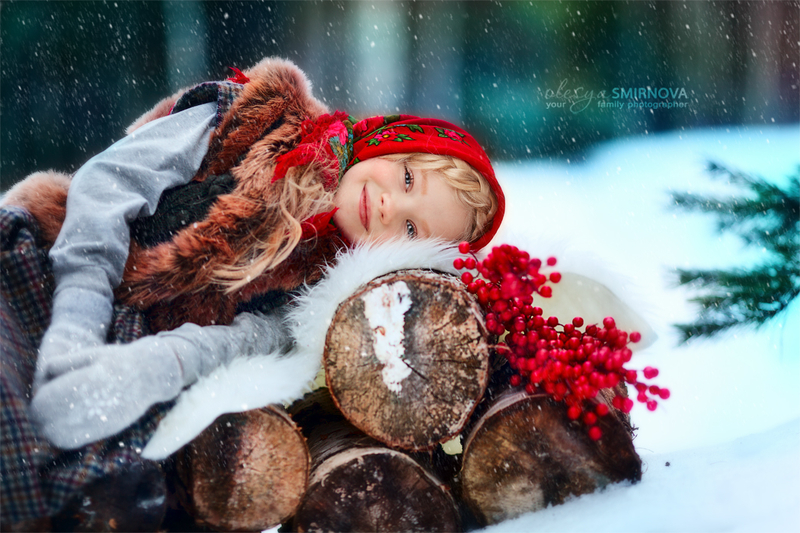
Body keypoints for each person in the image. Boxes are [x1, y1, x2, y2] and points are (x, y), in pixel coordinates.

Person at [0, 57, 505, 522]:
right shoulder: (261, 117)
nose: (392, 206)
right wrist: (74, 330)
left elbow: (248, 338)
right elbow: (110, 184)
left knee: (78, 489)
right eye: (408, 178)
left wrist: (149, 367)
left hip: (132, 338)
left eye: (412, 230)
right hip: (54, 259)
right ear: (389, 142)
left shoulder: (323, 287)